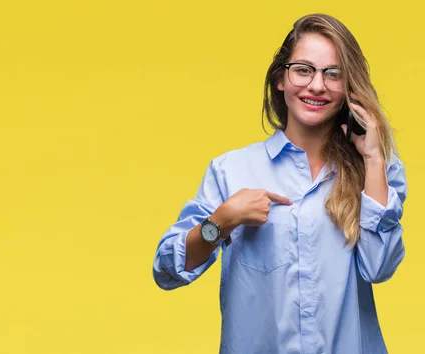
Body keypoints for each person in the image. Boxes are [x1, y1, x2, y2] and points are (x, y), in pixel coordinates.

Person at [152, 13, 407, 354]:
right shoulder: (231, 170)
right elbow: (167, 270)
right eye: (303, 69)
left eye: (333, 74)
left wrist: (374, 159)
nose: (317, 85)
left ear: (349, 88)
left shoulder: (375, 170)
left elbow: (380, 267)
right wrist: (222, 220)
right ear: (280, 79)